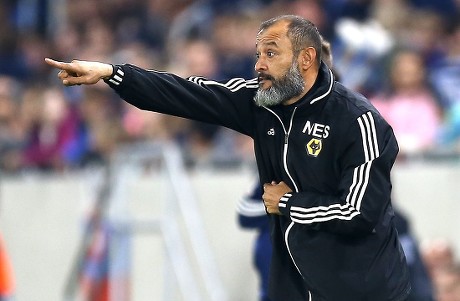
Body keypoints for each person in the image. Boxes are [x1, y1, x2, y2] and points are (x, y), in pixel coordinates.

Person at [45, 14, 411, 301]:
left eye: (271, 53)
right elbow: (185, 93)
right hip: (295, 288)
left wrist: (288, 203)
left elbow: (359, 212)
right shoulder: (259, 102)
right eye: (258, 55)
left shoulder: (358, 122)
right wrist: (113, 73)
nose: (258, 65)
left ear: (306, 59)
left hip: (363, 290)